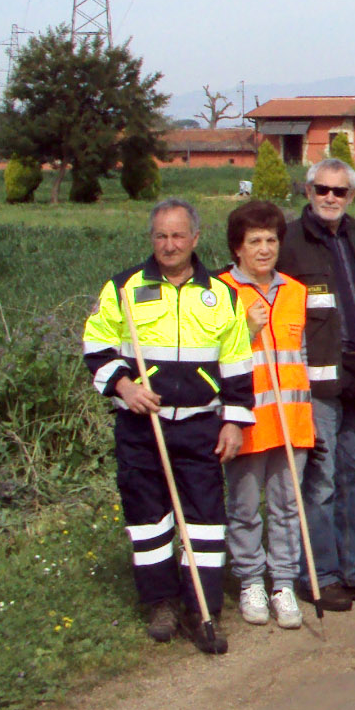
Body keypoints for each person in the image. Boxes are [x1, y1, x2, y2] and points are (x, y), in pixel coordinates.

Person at [84, 199, 254, 652]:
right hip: (142, 427)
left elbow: (237, 364)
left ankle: (204, 607)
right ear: (151, 238)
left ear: (195, 239)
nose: (169, 244)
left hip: (200, 426)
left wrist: (234, 422)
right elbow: (96, 348)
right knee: (148, 521)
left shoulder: (220, 295)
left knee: (204, 521)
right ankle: (160, 602)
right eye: (160, 235)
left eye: (178, 235)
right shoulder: (124, 287)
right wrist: (124, 387)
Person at [277, 158, 355, 611]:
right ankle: (323, 575)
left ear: (351, 196)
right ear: (308, 192)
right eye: (322, 189)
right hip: (317, 381)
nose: (330, 197)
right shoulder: (290, 242)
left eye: (340, 191)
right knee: (322, 481)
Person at [217, 201, 312, 632]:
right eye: (254, 241)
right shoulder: (218, 291)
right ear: (237, 248)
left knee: (287, 508)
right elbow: (210, 357)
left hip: (292, 420)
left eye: (271, 239)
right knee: (244, 508)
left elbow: (302, 355)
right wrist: (246, 331)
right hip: (247, 421)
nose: (264, 248)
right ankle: (251, 580)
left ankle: (284, 582)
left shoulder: (294, 290)